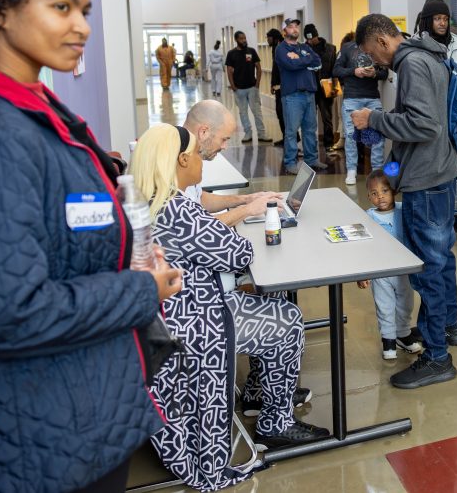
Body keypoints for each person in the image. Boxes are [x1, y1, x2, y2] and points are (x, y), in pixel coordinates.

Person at [0, 0, 184, 492]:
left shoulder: (40, 117)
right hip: (36, 455)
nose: (82, 27)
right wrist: (142, 290)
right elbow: (5, 313)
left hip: (80, 429)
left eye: (85, 12)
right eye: (62, 7)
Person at [134, 124, 328, 489]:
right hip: (197, 323)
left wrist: (239, 210)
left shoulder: (147, 200)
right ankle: (276, 422)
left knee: (269, 297)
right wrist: (252, 211)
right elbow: (239, 254)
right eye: (196, 153)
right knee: (287, 319)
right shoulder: (176, 210)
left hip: (166, 318)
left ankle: (258, 391)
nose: (205, 163)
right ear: (182, 159)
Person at [351, 14, 457, 389]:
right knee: (442, 260)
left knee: (427, 270)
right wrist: (392, 170)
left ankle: (436, 358)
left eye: (371, 54)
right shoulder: (428, 55)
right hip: (439, 174)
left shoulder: (411, 63)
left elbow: (424, 125)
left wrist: (375, 119)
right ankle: (449, 328)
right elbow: (420, 125)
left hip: (426, 184)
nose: (374, 62)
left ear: (382, 41)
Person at [413, 0, 457, 232]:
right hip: (425, 115)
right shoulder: (414, 44)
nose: (442, 23)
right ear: (428, 20)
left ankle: (454, 210)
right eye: (437, 18)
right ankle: (429, 212)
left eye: (445, 19)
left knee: (454, 163)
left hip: (451, 117)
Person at [356, 171, 425, 359]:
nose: (380, 197)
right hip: (382, 272)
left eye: (385, 191)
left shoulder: (404, 210)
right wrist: (363, 272)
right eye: (374, 193)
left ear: (393, 191)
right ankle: (388, 341)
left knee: (406, 304)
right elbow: (363, 247)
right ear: (368, 196)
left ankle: (403, 335)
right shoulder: (367, 218)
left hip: (404, 270)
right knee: (385, 307)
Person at [183, 100, 283, 226]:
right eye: (223, 139)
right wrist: (248, 210)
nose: (225, 146)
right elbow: (196, 228)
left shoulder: (185, 150)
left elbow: (199, 198)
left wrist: (246, 199)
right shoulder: (175, 162)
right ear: (203, 132)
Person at [334, 29, 389, 185]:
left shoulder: (376, 48)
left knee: (378, 136)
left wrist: (374, 74)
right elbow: (336, 70)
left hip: (372, 98)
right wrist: (354, 71)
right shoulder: (347, 48)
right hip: (352, 98)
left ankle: (377, 171)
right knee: (351, 136)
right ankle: (351, 170)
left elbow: (384, 73)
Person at [277, 18, 327, 173]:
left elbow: (318, 63)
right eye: (290, 27)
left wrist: (300, 58)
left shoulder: (305, 47)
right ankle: (290, 163)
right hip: (292, 96)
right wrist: (306, 60)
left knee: (310, 129)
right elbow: (291, 66)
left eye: (296, 26)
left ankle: (311, 160)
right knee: (292, 132)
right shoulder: (281, 49)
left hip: (309, 94)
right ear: (284, 31)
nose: (294, 29)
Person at [225, 30, 269, 144]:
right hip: (239, 89)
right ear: (236, 40)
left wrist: (257, 84)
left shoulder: (251, 51)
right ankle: (248, 133)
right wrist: (233, 86)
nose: (244, 40)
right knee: (243, 113)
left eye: (244, 38)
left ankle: (261, 134)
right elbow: (229, 71)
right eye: (241, 39)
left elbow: (258, 68)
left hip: (252, 88)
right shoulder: (231, 54)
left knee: (257, 112)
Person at [305, 23, 338, 149]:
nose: (308, 41)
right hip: (309, 89)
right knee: (309, 119)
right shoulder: (304, 50)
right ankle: (310, 145)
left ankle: (329, 143)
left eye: (310, 38)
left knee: (327, 118)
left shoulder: (330, 48)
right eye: (306, 39)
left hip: (327, 87)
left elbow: (334, 69)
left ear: (316, 36)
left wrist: (334, 88)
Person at [268, 28, 286, 145]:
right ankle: (286, 138)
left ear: (274, 38)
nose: (267, 41)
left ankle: (291, 138)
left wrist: (278, 84)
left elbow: (280, 69)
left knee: (283, 112)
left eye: (268, 38)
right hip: (278, 86)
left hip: (283, 86)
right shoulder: (275, 48)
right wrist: (272, 84)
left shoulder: (281, 48)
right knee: (280, 112)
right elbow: (274, 69)